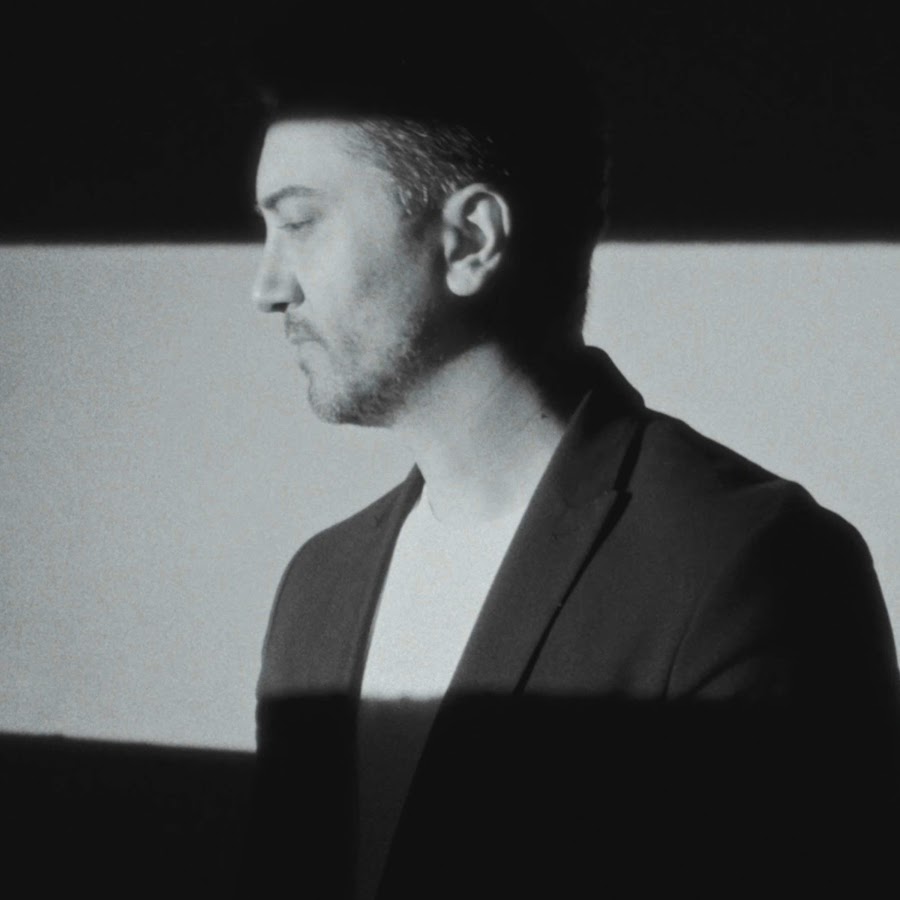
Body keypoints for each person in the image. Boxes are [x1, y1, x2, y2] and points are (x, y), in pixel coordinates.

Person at [243, 8, 899, 898]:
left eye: (301, 223)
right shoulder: (317, 589)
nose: (266, 287)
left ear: (471, 240)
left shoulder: (751, 569)